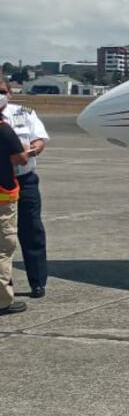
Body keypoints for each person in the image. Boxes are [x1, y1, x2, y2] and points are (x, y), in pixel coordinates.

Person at [0, 80, 49, 298]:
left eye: (1, 91)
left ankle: (37, 282)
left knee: (32, 231)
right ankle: (3, 285)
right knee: (4, 238)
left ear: (10, 94)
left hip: (25, 179)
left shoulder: (24, 112)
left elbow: (39, 139)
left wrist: (33, 152)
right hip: (2, 181)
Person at [0, 108, 29, 314]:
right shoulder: (4, 130)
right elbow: (20, 158)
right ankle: (2, 300)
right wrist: (27, 150)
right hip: (3, 197)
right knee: (3, 248)